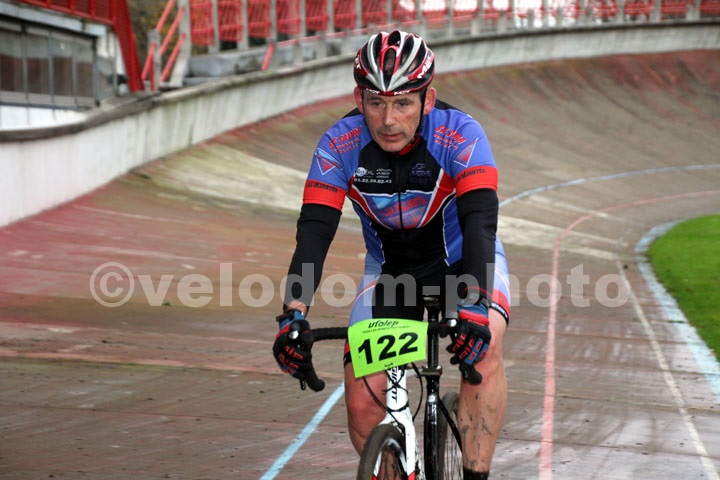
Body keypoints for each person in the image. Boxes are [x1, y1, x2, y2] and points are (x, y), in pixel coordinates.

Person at [272, 30, 511, 480]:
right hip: (391, 274)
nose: (388, 120)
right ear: (358, 99)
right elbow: (315, 232)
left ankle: (475, 474)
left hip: (464, 264)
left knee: (484, 350)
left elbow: (480, 221)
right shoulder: (338, 146)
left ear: (427, 99)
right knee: (362, 399)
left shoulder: (461, 134)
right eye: (376, 103)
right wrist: (293, 313)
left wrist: (477, 304)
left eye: (403, 103)